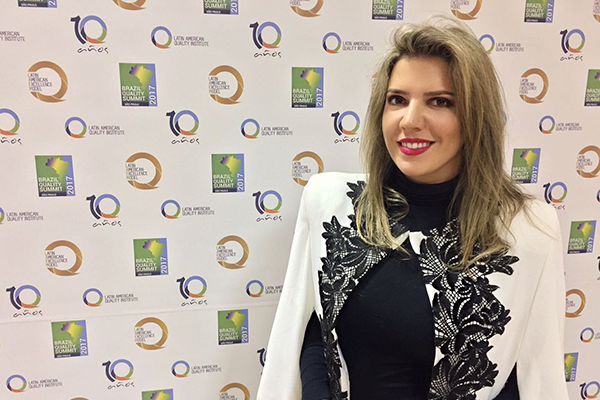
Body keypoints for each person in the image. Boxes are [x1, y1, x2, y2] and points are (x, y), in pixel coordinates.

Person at [257, 17, 567, 400]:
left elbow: (532, 372)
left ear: (476, 116)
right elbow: (312, 329)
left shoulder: (528, 228)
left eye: (440, 101)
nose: (410, 120)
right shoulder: (330, 202)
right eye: (397, 100)